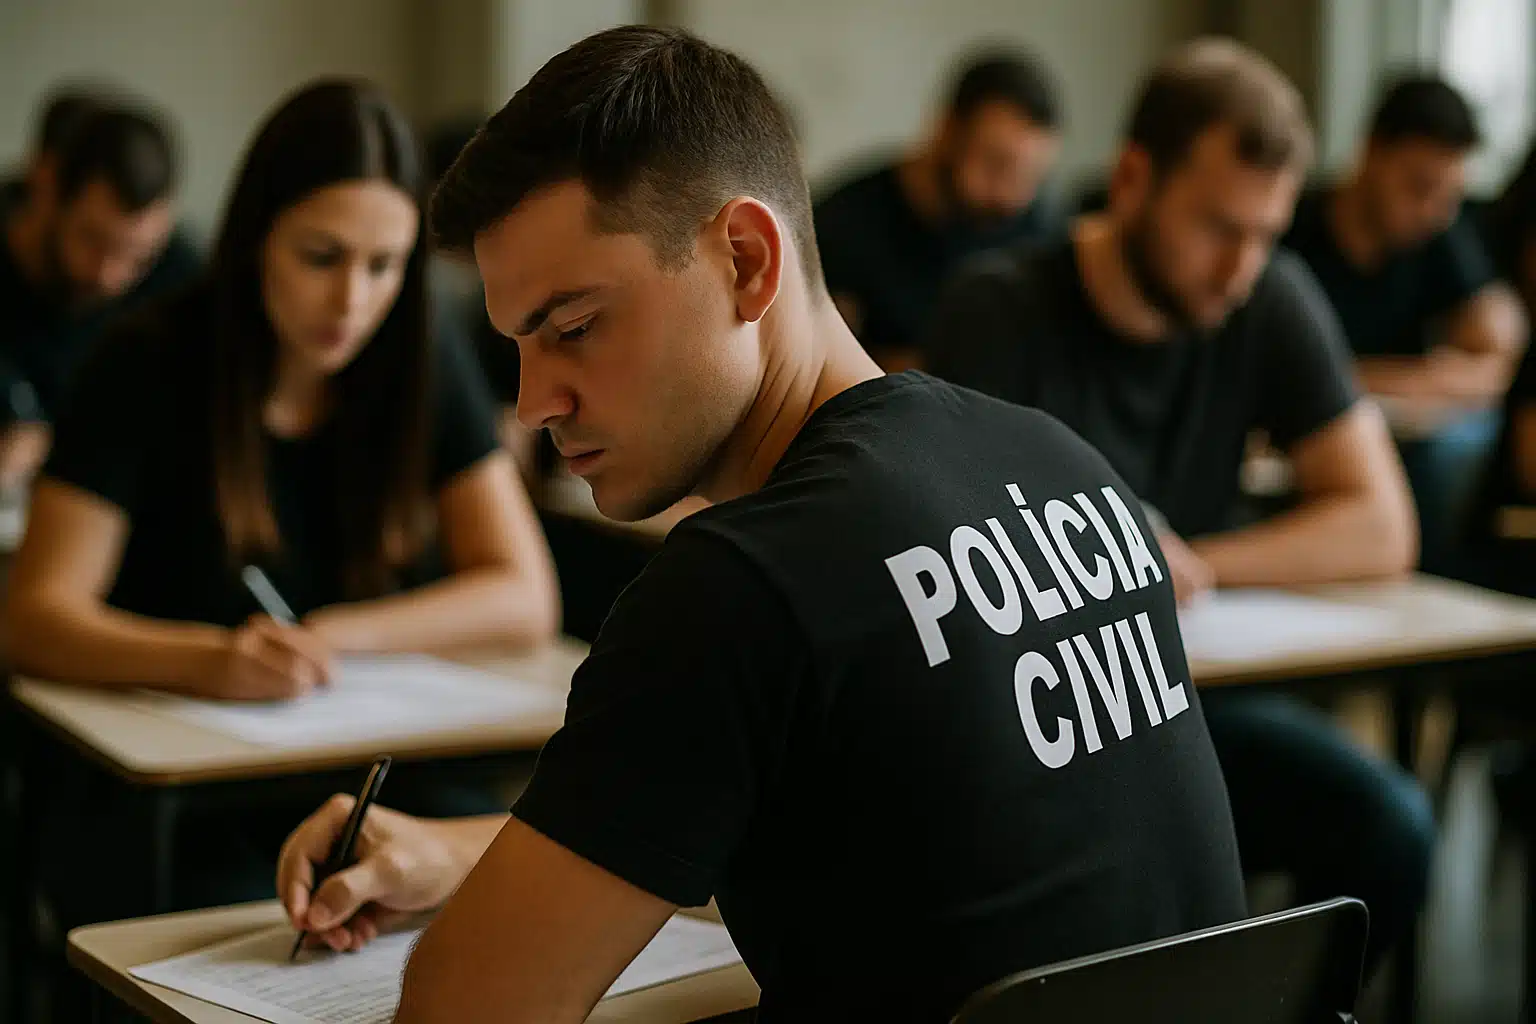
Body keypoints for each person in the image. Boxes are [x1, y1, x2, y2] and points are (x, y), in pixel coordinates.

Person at [274, 27, 1245, 1023]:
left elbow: (463, 1011)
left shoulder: (739, 583)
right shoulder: (1065, 468)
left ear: (744, 259)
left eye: (572, 328)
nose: (532, 402)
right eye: (517, 346)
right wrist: (463, 849)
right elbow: (854, 824)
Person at [925, 40, 1430, 979]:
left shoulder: (1266, 296)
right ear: (1130, 179)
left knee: (1389, 830)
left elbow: (1381, 523)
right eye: (1217, 226)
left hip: (1200, 706)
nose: (1240, 266)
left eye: (1266, 234)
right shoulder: (997, 310)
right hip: (1042, 731)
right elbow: (939, 559)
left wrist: (1196, 559)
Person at [1283, 75, 1527, 575]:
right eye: (1418, 185)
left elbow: (1502, 354)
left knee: (1458, 447)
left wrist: (1359, 378)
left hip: (1398, 436)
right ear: (1371, 152)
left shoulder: (1438, 235)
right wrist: (1427, 377)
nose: (1435, 210)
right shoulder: (1292, 234)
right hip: (1301, 443)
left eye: (1449, 193)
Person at [814, 47, 1064, 372]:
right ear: (946, 130)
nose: (1014, 198)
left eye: (1032, 177)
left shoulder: (1035, 234)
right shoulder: (841, 227)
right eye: (996, 164)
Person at [0, 98, 200, 489]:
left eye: (139, 257)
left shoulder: (178, 275)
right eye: (93, 239)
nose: (111, 276)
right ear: (49, 190)